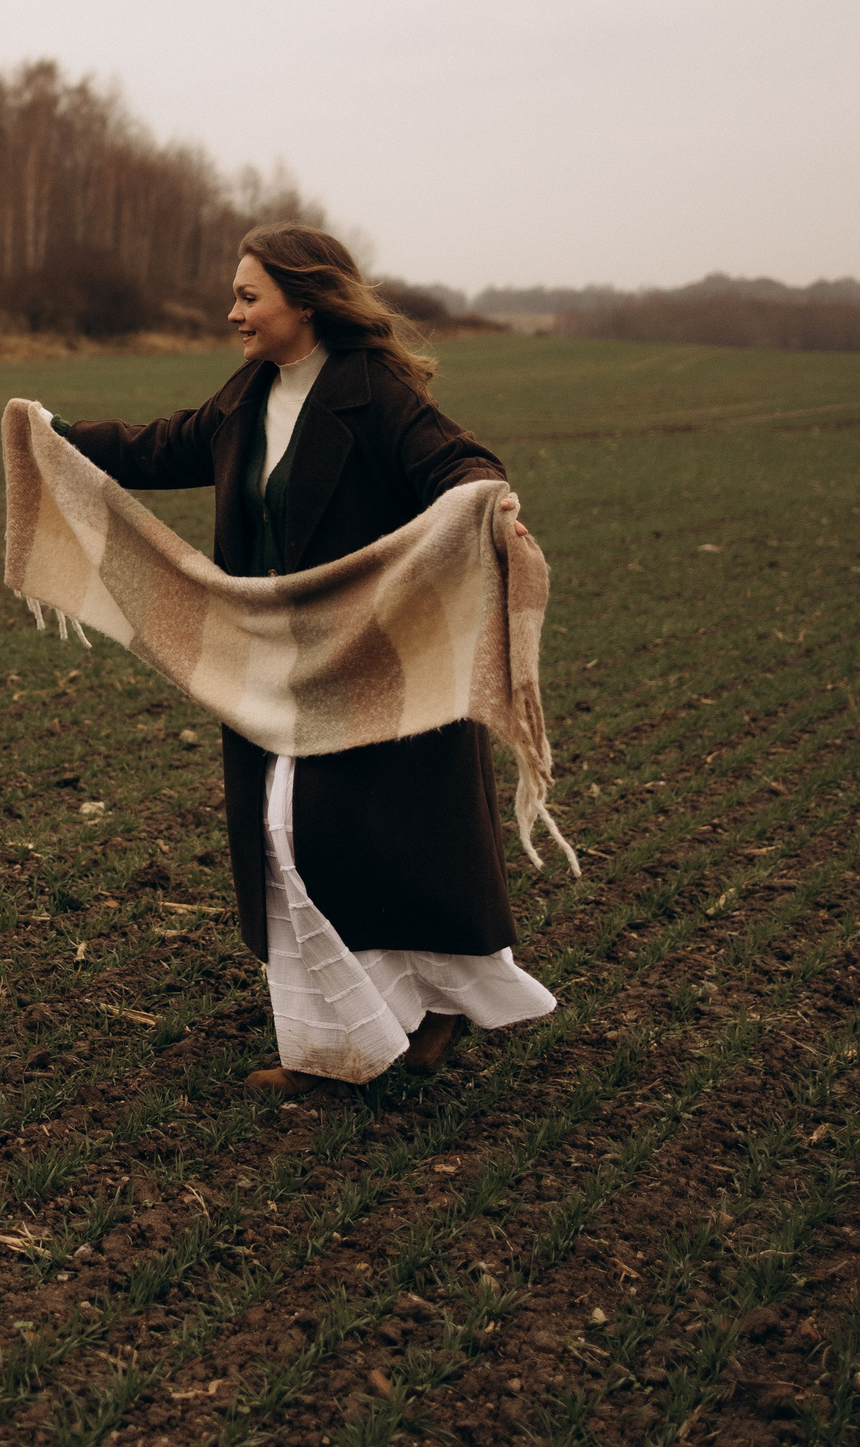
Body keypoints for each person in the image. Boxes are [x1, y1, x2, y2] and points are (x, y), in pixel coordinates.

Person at [55, 223, 553, 1094]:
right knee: (297, 837)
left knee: (323, 837)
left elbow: (458, 460)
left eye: (250, 295)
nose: (233, 311)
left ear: (307, 299)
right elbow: (161, 445)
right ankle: (386, 1025)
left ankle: (351, 1048)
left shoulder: (376, 391)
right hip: (274, 660)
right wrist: (55, 435)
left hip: (366, 655)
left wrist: (489, 502)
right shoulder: (251, 393)